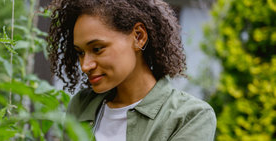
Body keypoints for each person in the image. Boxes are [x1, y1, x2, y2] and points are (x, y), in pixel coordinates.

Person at [46, 0, 217, 140]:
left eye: (97, 49)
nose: (85, 65)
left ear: (138, 37)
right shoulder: (81, 106)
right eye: (80, 53)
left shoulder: (190, 117)